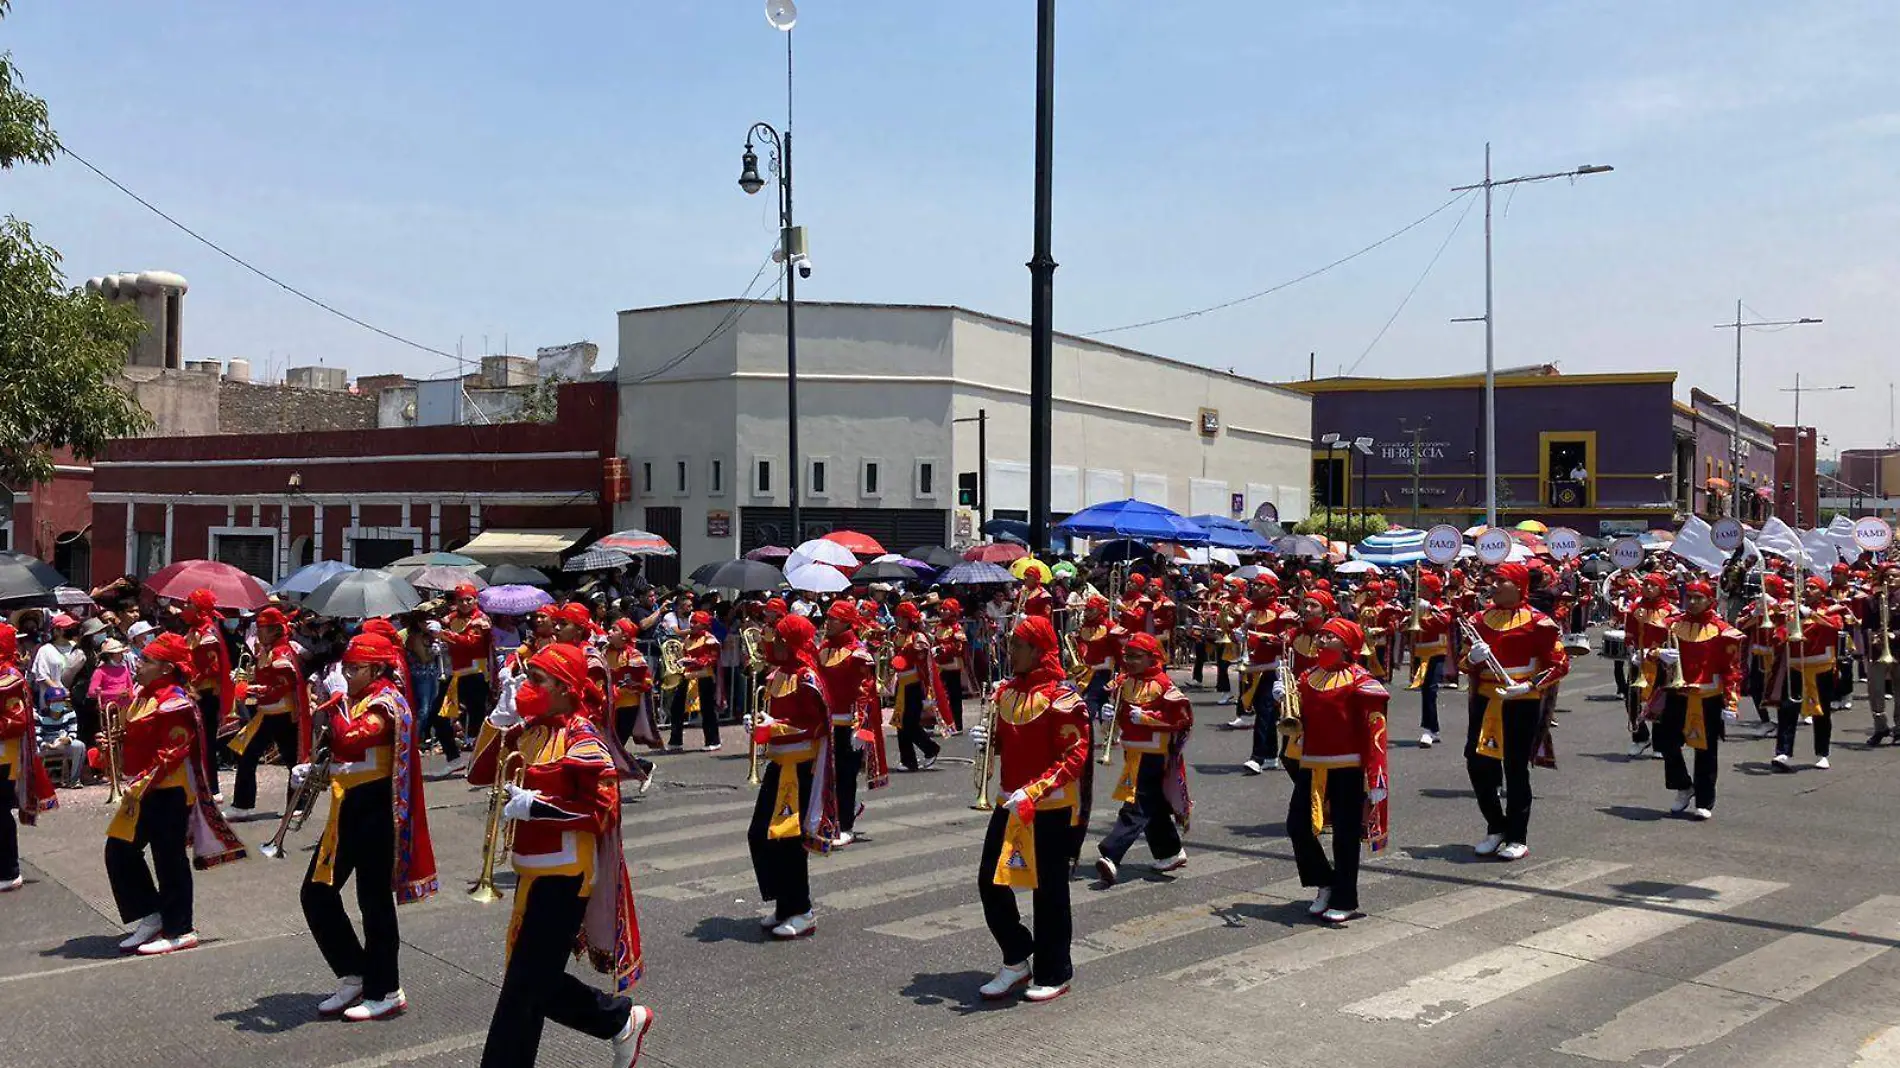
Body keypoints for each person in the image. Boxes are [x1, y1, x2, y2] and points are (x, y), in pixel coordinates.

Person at [474, 643, 652, 1068]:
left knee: (525, 984)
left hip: (566, 873)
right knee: (531, 983)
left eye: (537, 680)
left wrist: (539, 808)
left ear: (564, 687)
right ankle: (620, 1020)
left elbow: (602, 809)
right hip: (530, 873)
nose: (527, 686)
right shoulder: (529, 730)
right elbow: (479, 773)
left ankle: (619, 1019)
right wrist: (497, 721)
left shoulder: (582, 736)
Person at [298, 631, 438, 1020]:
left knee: (372, 902)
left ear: (376, 667)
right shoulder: (358, 700)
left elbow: (351, 740)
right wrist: (313, 772)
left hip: (376, 811)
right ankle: (354, 972)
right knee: (316, 892)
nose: (347, 673)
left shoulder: (384, 703)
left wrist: (335, 702)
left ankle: (386, 988)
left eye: (354, 668)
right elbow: (342, 756)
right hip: (346, 808)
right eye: (345, 666)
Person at [968, 616, 1089, 1004]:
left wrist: (1035, 791)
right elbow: (1008, 744)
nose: (1010, 650)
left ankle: (1055, 970)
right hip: (1008, 801)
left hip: (1049, 808)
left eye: (1018, 644)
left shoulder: (1063, 699)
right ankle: (1017, 956)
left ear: (1037, 650)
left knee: (1049, 892)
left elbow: (1076, 755)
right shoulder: (1004, 693)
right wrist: (989, 740)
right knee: (991, 880)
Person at [102, 632, 246, 955]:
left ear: (166, 668)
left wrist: (141, 780)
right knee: (118, 849)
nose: (138, 665)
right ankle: (152, 915)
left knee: (169, 859)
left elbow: (173, 751)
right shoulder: (142, 695)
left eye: (147, 661)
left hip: (169, 790)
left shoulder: (175, 702)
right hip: (144, 786)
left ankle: (181, 928)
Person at [1282, 618, 1389, 922]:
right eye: (1322, 636)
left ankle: (1346, 898)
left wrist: (1376, 774)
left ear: (1346, 645)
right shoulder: (1307, 677)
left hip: (1347, 765)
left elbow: (1376, 726)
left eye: (1330, 637)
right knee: (1297, 826)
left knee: (1345, 835)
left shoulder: (1360, 679)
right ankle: (1325, 881)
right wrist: (1286, 700)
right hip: (1311, 764)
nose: (1321, 641)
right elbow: (1298, 720)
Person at [1461, 562, 1568, 862]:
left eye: (1500, 581)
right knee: (1477, 762)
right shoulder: (1479, 619)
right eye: (1492, 581)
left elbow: (1559, 664)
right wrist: (1471, 657)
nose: (1493, 586)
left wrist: (1529, 685)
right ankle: (1496, 825)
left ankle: (1517, 836)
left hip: (1522, 700)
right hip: (1485, 699)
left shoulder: (1539, 623)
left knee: (1515, 768)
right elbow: (1462, 663)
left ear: (1519, 586)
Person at [746, 614, 838, 938]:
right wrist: (759, 723)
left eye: (780, 637)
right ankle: (784, 904)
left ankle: (803, 909)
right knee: (760, 833)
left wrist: (776, 727)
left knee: (789, 841)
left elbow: (818, 727)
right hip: (777, 764)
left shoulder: (808, 677)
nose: (772, 640)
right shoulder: (775, 675)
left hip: (800, 768)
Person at [1093, 633, 1190, 885]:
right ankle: (1170, 851)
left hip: (1155, 754)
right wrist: (1107, 716)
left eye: (1137, 657)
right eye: (1128, 656)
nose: (1130, 661)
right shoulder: (1124, 683)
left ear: (1152, 657)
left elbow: (1182, 721)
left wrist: (1148, 718)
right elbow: (1114, 725)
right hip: (1132, 752)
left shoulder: (1165, 685)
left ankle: (1111, 854)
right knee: (1152, 806)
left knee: (1136, 803)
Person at [1647, 580, 1742, 819]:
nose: (1693, 602)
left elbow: (1732, 670)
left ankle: (1704, 800)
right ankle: (1683, 786)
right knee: (1667, 745)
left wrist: (1731, 703)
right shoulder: (1671, 625)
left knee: (1706, 751)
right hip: (1676, 694)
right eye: (1689, 596)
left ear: (1710, 601)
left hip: (1708, 696)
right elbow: (1649, 649)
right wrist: (1659, 654)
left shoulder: (1723, 630)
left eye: (1699, 597)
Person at [227, 608, 307, 818]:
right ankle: (243, 805)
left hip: (282, 713)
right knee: (249, 755)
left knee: (292, 760)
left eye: (262, 629)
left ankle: (298, 803)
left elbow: (279, 688)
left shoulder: (281, 654)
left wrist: (251, 690)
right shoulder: (267, 650)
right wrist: (244, 678)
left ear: (275, 631)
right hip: (268, 712)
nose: (258, 632)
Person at [817, 601, 881, 846]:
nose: (828, 622)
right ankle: (830, 818)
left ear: (846, 621)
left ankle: (846, 826)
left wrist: (861, 728)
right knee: (824, 776)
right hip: (826, 724)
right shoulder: (822, 648)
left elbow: (865, 693)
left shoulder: (857, 653)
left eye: (834, 618)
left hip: (848, 725)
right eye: (828, 617)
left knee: (845, 776)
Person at [1, 623, 59, 891]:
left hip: (5, 757)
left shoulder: (9, 677)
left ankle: (8, 871)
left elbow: (15, 721)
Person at [1777, 577, 1846, 771]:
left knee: (1822, 712)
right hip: (1796, 666)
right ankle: (1783, 752)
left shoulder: (1832, 609)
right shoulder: (1794, 611)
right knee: (1787, 709)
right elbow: (1783, 632)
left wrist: (1813, 615)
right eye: (1806, 587)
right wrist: (1783, 629)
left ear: (1822, 592)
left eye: (1813, 587)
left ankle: (1822, 753)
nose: (1807, 590)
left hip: (1821, 667)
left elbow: (1836, 626)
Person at [888, 602, 944, 771]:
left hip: (913, 685)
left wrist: (909, 653)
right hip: (901, 683)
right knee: (900, 723)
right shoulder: (897, 635)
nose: (897, 621)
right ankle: (908, 760)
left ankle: (930, 748)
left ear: (908, 619)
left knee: (910, 723)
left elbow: (923, 656)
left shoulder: (918, 637)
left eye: (900, 618)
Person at [439, 584, 494, 742]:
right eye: (461, 600)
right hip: (457, 669)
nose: (465, 604)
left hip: (477, 670)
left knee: (476, 705)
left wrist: (446, 635)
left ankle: (476, 737)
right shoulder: (451, 617)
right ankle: (462, 736)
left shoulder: (481, 619)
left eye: (468, 600)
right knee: (457, 706)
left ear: (475, 600)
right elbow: (442, 624)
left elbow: (471, 642)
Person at [1408, 571, 1453, 748]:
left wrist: (1424, 613)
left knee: (1430, 689)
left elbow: (1444, 622)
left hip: (1436, 651)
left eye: (1424, 588)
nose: (1420, 591)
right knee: (1426, 690)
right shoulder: (1419, 605)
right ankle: (1432, 729)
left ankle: (1428, 729)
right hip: (1421, 652)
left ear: (1433, 590)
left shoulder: (1441, 607)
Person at [668, 611, 722, 751]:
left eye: (695, 622)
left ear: (704, 625)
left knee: (707, 710)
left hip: (704, 677)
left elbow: (712, 658)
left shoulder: (710, 640)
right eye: (691, 621)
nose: (691, 625)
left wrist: (694, 662)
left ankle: (713, 740)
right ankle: (675, 741)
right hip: (687, 677)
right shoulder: (688, 639)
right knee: (676, 708)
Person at [1859, 564, 1900, 745]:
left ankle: (1899, 728)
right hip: (1878, 651)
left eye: (1895, 576)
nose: (1891, 580)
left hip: (1899, 650)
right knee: (1875, 691)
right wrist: (1873, 635)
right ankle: (1880, 727)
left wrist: (1896, 634)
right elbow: (1865, 626)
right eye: (1887, 576)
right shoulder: (1871, 601)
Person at [934, 598, 970, 733]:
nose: (942, 611)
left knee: (955, 696)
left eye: (946, 609)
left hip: (953, 666)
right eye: (942, 609)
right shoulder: (938, 627)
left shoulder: (956, 628)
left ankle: (957, 724)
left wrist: (944, 649)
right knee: (940, 695)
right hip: (939, 665)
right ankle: (944, 723)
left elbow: (960, 646)